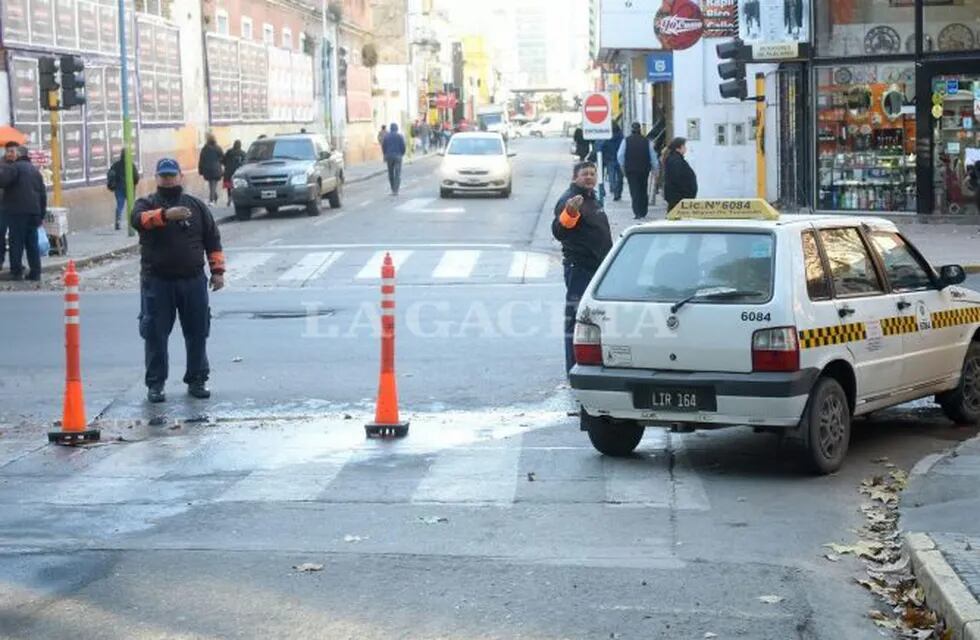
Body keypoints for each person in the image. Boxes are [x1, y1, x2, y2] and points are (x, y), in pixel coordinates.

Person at [131, 158, 225, 403]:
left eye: (172, 175)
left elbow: (212, 239)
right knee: (155, 335)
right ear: (157, 178)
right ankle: (156, 385)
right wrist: (165, 215)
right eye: (163, 176)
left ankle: (197, 379)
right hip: (157, 282)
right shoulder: (146, 203)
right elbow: (137, 220)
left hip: (193, 281)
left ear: (180, 177)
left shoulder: (196, 206)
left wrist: (217, 271)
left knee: (197, 332)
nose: (168, 179)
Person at [551, 161, 612, 375]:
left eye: (592, 174)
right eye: (584, 174)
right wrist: (570, 213)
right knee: (576, 319)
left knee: (594, 318)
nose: (589, 177)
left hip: (597, 268)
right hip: (580, 268)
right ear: (575, 177)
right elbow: (559, 230)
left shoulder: (591, 198)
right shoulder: (570, 200)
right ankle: (574, 369)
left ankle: (593, 364)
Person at [0, 145, 46, 281]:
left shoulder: (15, 168)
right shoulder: (35, 170)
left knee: (17, 242)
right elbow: (42, 194)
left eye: (13, 152)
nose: (10, 155)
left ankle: (16, 271)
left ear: (19, 155)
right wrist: (41, 214)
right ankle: (36, 272)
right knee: (32, 243)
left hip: (17, 212)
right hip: (34, 212)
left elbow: (2, 182)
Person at [617, 122, 657, 219]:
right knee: (643, 189)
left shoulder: (626, 141)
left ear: (631, 129)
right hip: (644, 169)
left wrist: (622, 167)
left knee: (634, 190)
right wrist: (656, 168)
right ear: (640, 130)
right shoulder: (647, 141)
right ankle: (643, 211)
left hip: (631, 170)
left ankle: (637, 212)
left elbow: (620, 155)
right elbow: (653, 156)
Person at [663, 136, 698, 212]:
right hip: (678, 197)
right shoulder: (675, 160)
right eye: (684, 146)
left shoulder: (676, 158)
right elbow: (678, 179)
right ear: (678, 148)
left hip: (678, 197)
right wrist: (687, 192)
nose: (685, 148)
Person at [107, 150, 140, 230]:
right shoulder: (131, 165)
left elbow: (110, 174)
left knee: (119, 205)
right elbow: (136, 177)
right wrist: (133, 184)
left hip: (119, 188)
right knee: (131, 206)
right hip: (129, 188)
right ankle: (132, 222)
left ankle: (118, 221)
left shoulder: (116, 165)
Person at [0, 142, 18, 272]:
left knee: (16, 237)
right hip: (2, 206)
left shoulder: (20, 166)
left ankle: (16, 265)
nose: (10, 154)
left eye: (13, 151)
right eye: (8, 151)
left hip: (16, 207)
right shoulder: (1, 165)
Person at [197, 133, 224, 206]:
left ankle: (212, 199)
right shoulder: (218, 148)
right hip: (216, 169)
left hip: (207, 169)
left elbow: (201, 160)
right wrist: (219, 163)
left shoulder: (204, 149)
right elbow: (222, 157)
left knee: (211, 184)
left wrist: (200, 170)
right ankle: (213, 198)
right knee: (213, 184)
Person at [600, 124, 624, 201]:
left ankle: (613, 190)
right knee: (620, 177)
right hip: (620, 159)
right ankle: (617, 192)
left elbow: (602, 146)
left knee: (611, 176)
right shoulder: (621, 136)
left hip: (609, 159)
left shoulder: (607, 137)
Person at [381, 123, 406, 196]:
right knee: (397, 173)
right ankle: (396, 190)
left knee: (391, 173)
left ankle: (392, 189)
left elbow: (383, 146)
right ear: (397, 128)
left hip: (389, 156)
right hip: (398, 156)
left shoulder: (386, 137)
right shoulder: (400, 136)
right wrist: (402, 154)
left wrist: (385, 154)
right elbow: (403, 146)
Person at [222, 140, 246, 207]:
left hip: (228, 171)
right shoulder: (243, 153)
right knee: (237, 186)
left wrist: (227, 165)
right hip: (237, 172)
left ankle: (229, 198)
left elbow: (223, 160)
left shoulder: (229, 152)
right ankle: (236, 199)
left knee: (229, 187)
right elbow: (245, 163)